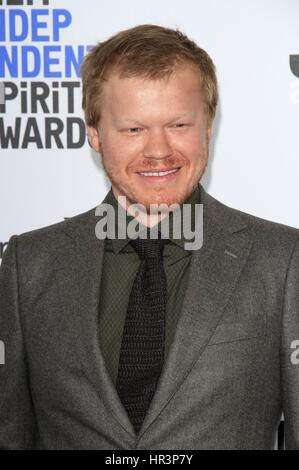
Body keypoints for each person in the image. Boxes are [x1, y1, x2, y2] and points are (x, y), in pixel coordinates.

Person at [0, 24, 299, 450]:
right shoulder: (28, 264)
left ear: (207, 129)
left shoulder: (283, 261)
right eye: (133, 129)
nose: (158, 150)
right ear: (95, 136)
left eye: (178, 124)